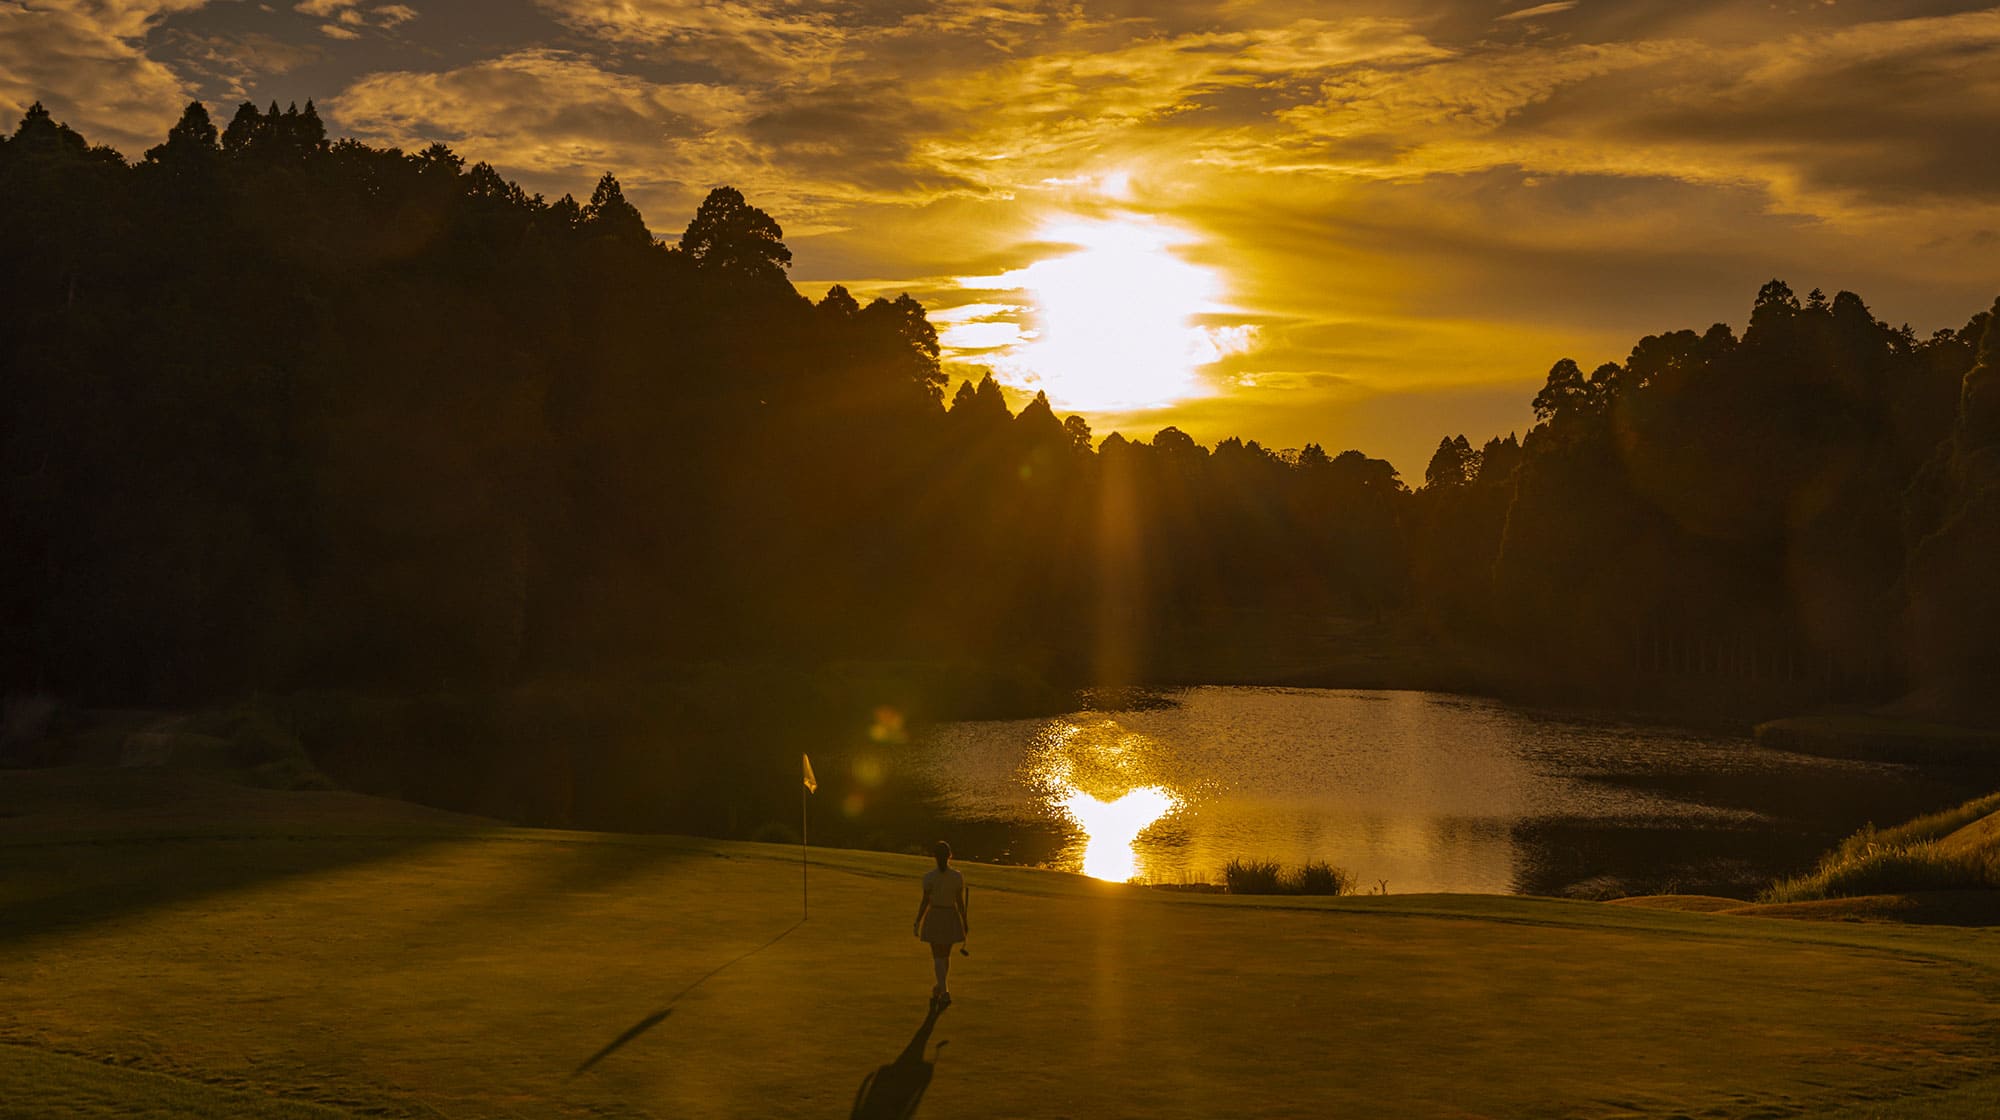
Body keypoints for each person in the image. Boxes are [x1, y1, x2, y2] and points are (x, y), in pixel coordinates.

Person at [913, 840, 968, 1007]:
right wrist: (964, 921)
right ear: (949, 856)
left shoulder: (929, 877)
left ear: (935, 857)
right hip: (950, 915)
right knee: (944, 955)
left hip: (935, 915)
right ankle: (942, 987)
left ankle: (943, 990)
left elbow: (924, 902)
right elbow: (959, 902)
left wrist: (917, 921)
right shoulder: (957, 876)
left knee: (938, 955)